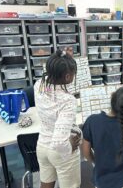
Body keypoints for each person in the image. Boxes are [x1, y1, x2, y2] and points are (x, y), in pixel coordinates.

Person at [82, 86, 123, 188]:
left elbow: (85, 152)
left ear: (112, 98)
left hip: (101, 181)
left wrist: (95, 161)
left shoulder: (91, 121)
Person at [34, 49, 81, 188]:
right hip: (60, 153)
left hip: (42, 145)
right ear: (67, 77)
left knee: (46, 185)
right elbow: (59, 142)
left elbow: (55, 93)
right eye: (73, 74)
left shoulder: (39, 85)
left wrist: (66, 62)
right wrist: (69, 147)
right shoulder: (68, 101)